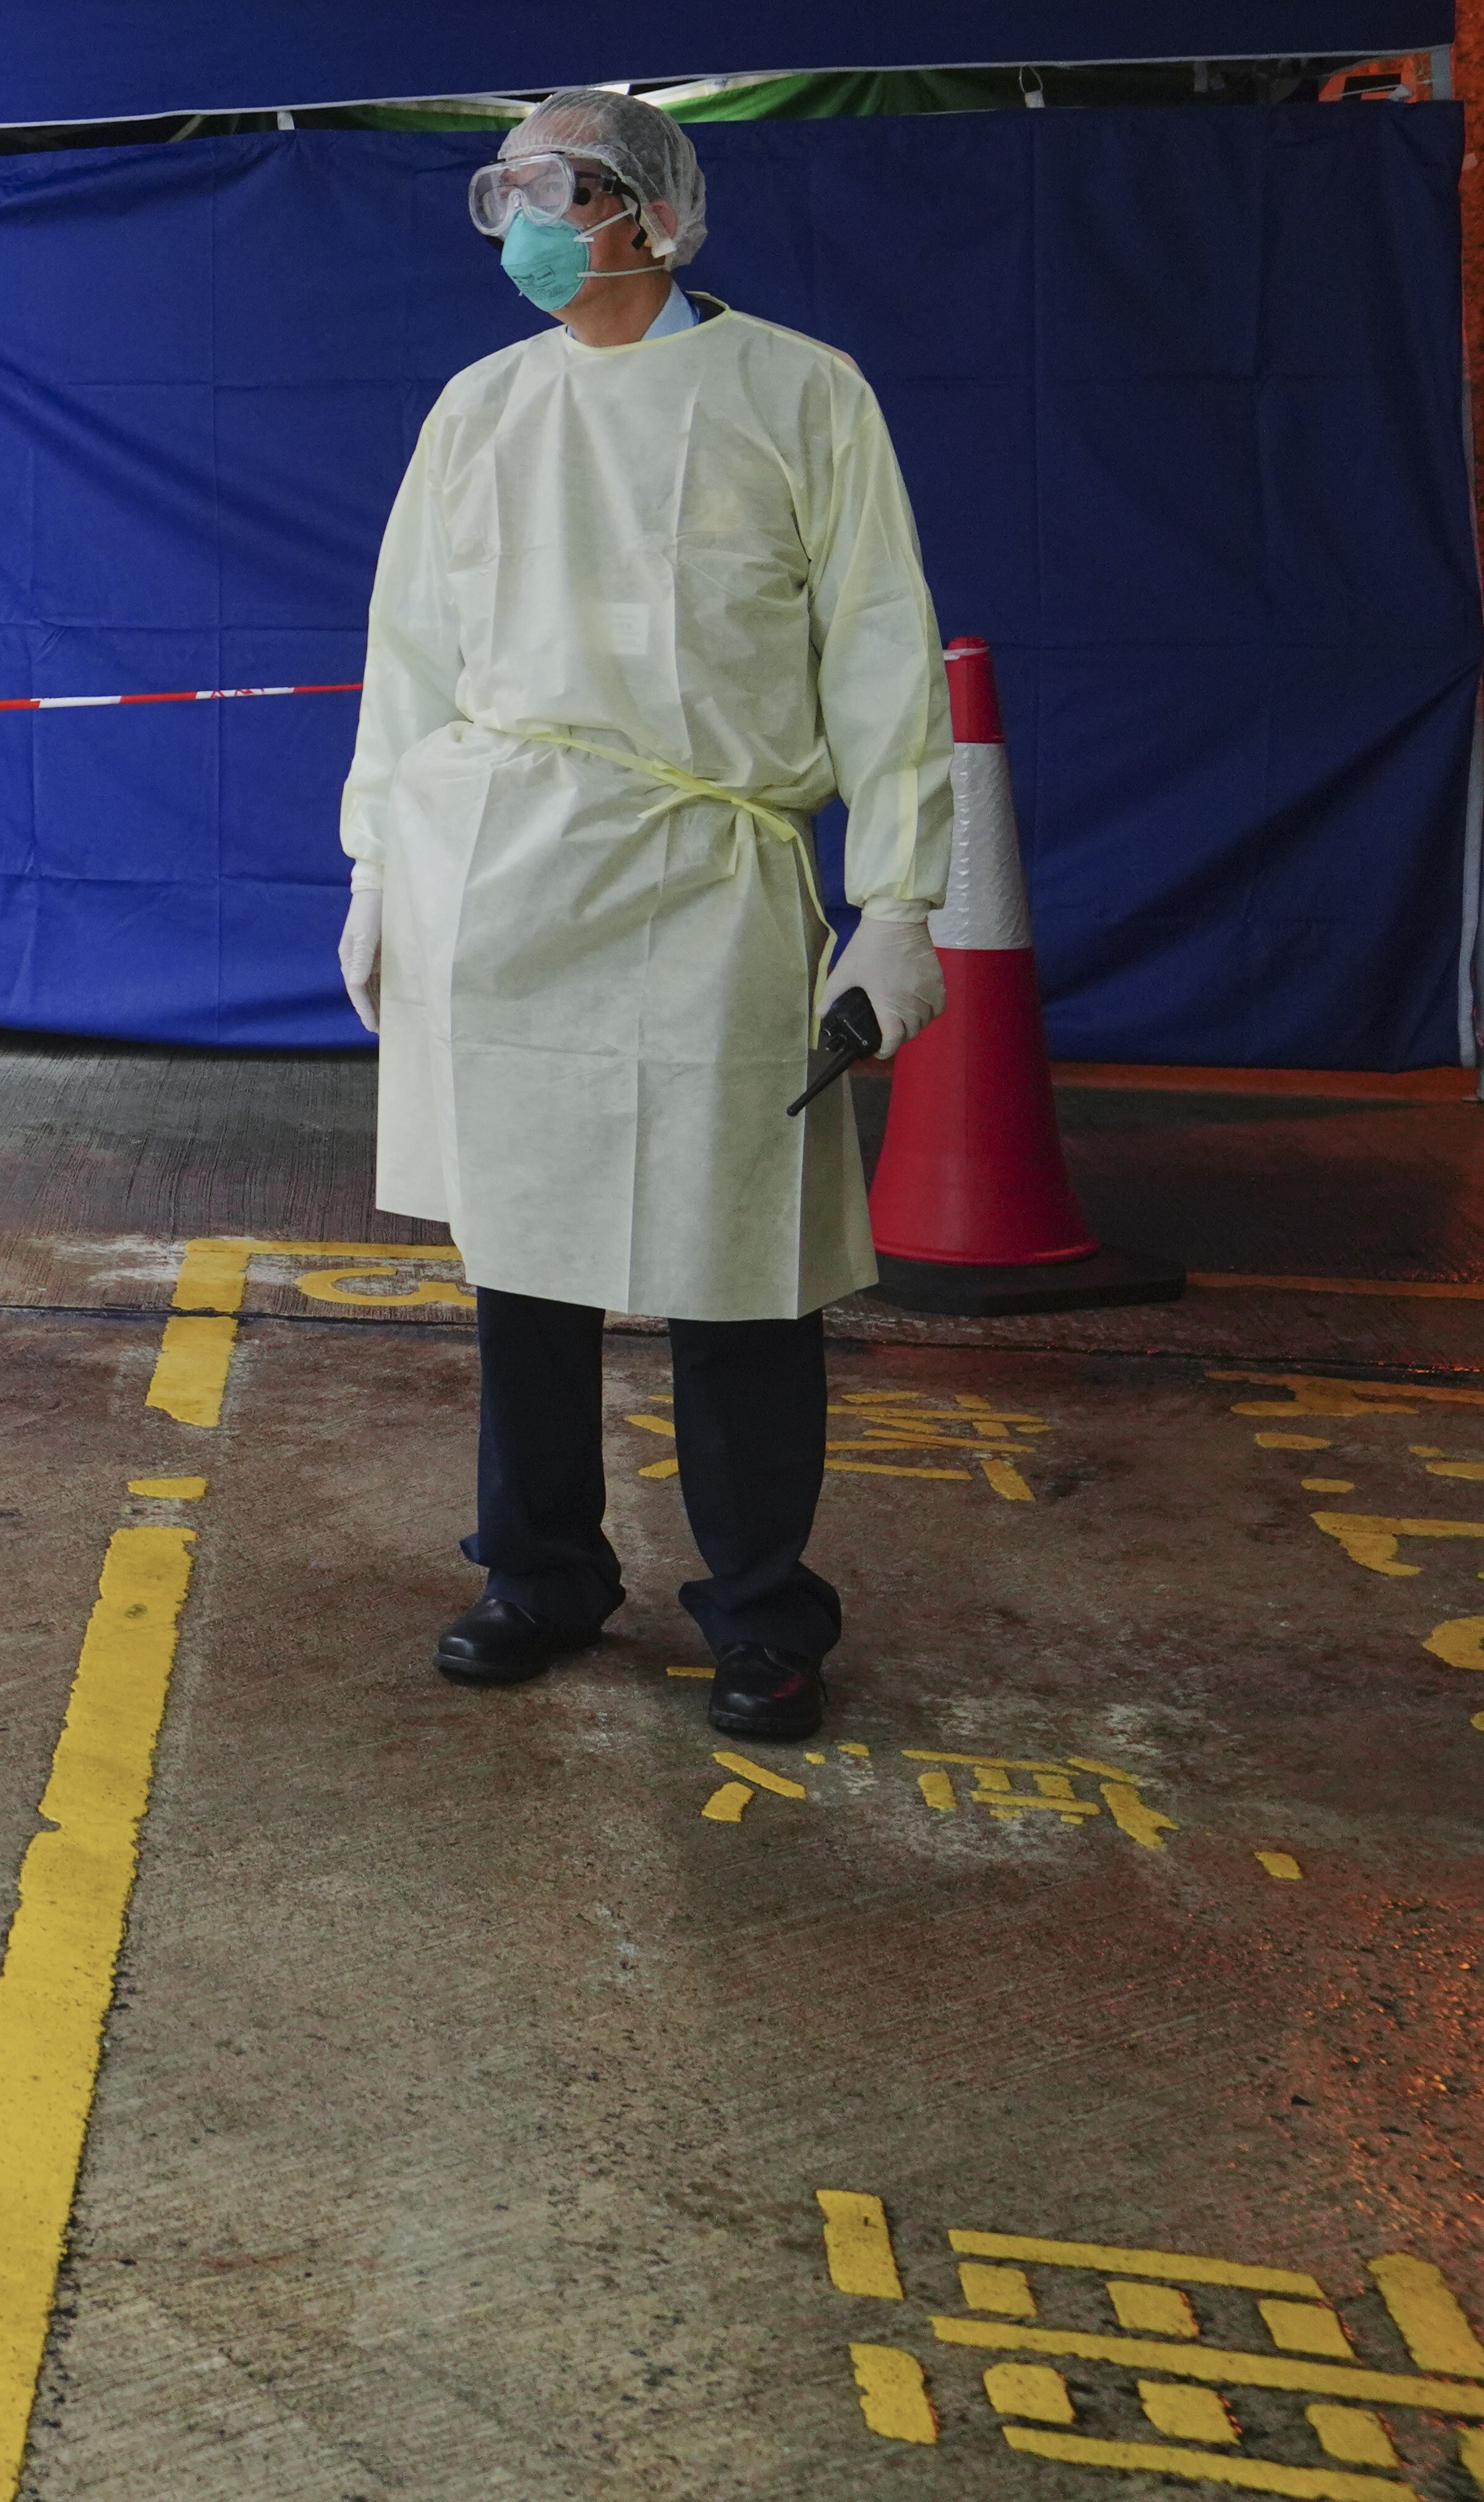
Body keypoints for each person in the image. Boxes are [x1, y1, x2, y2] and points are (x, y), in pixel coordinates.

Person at [336, 86, 947, 1747]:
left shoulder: (797, 396)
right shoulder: (480, 408)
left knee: (738, 1258)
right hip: (505, 873)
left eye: (559, 187)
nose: (525, 218)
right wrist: (378, 857)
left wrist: (900, 896)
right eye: (511, 187)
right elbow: (414, 649)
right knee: (522, 1252)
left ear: (655, 216)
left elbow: (883, 652)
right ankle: (539, 1573)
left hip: (707, 874)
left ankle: (760, 1613)